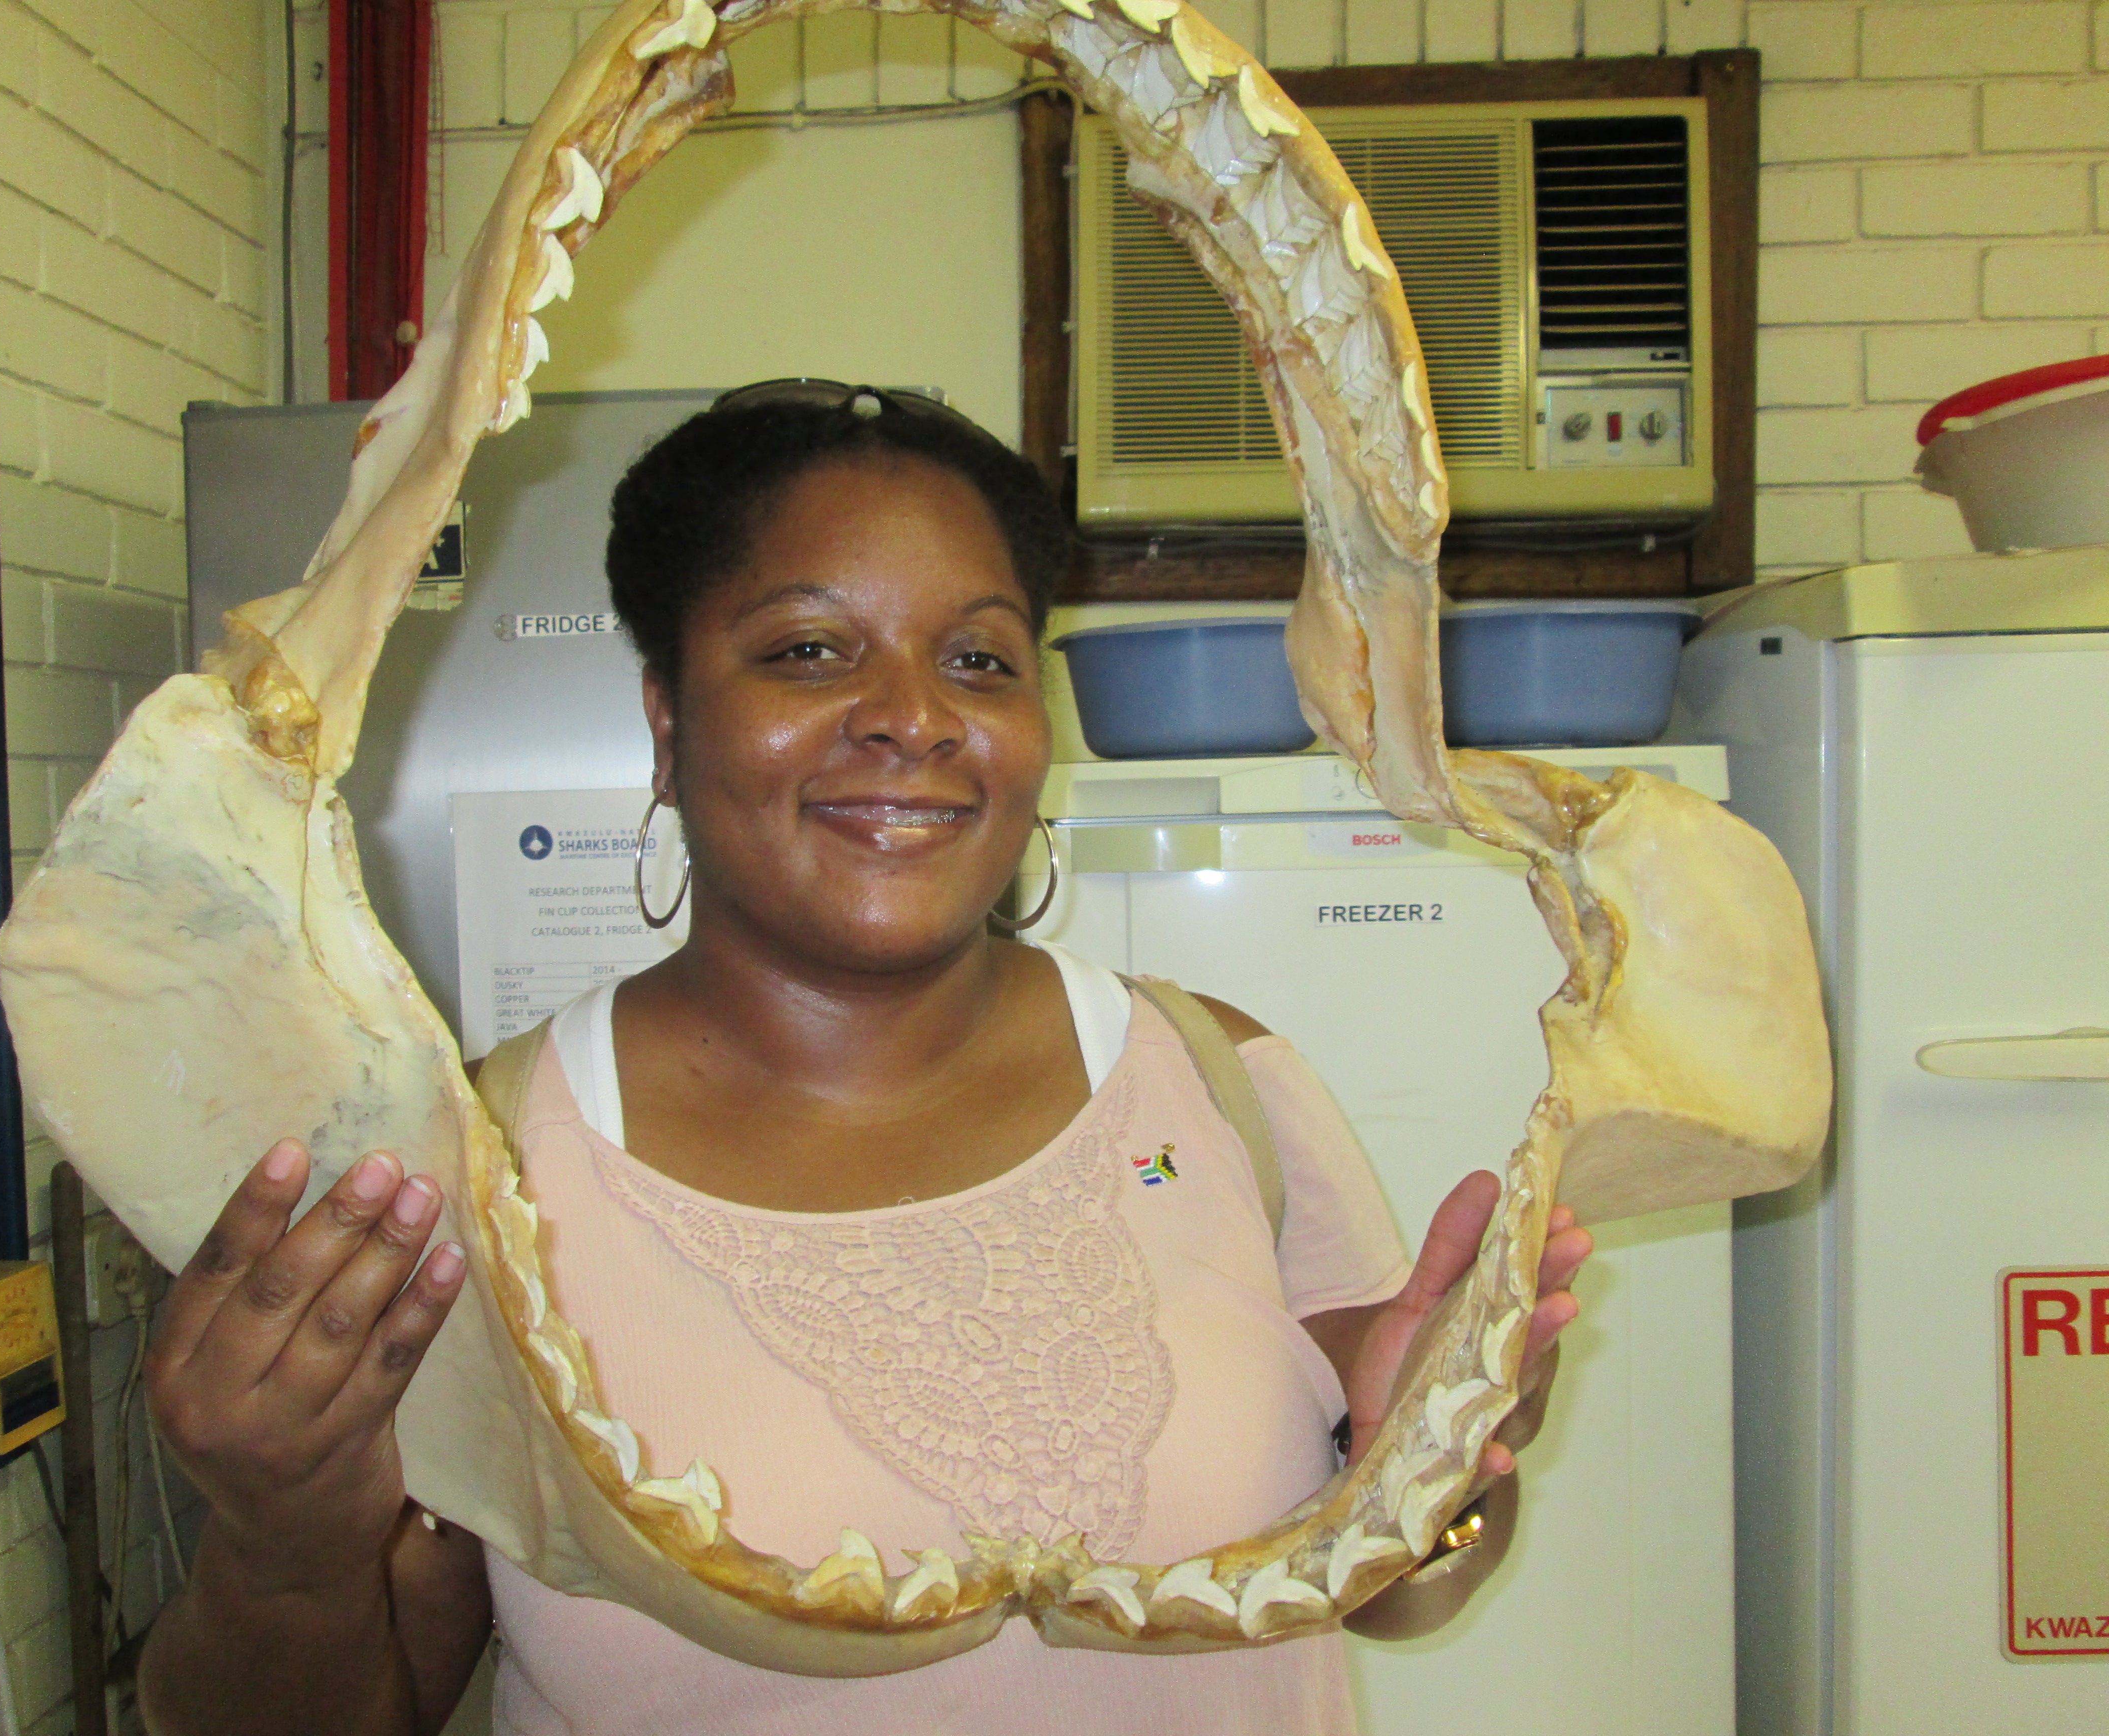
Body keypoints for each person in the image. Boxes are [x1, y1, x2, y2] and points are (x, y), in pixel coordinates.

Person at [138, 383, 1591, 1736]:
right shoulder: (479, 1185)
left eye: (979, 658)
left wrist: (1439, 1470)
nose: (914, 716)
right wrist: (282, 1540)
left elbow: (1412, 1587)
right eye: (809, 651)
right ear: (666, 718)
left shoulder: (1218, 1086)